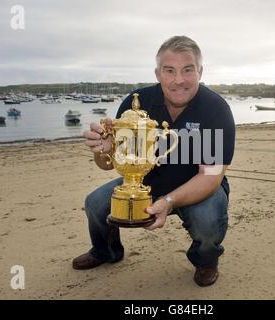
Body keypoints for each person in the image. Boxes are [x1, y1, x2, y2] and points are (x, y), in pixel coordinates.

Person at [73, 35, 235, 287]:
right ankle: (106, 251)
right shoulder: (137, 102)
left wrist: (168, 202)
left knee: (207, 222)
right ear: (158, 73)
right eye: (169, 70)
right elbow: (108, 163)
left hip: (198, 186)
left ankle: (205, 261)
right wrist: (102, 149)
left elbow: (210, 175)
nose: (178, 79)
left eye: (187, 70)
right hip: (144, 181)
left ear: (200, 72)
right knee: (94, 204)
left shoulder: (215, 109)